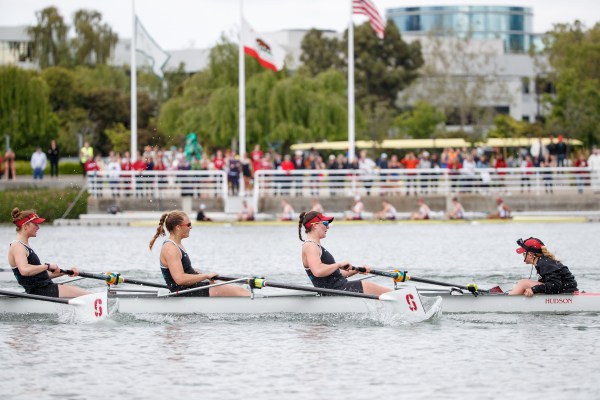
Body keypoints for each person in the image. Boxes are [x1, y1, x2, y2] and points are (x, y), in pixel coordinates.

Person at [149, 210, 249, 297]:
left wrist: (199, 273)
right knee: (240, 291)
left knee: (235, 288)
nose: (191, 227)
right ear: (178, 227)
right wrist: (205, 276)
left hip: (189, 288)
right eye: (188, 224)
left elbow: (185, 270)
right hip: (183, 292)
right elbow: (179, 279)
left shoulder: (177, 244)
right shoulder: (170, 248)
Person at [298, 211, 391, 296]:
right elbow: (318, 271)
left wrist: (357, 270)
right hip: (334, 291)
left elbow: (334, 275)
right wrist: (338, 264)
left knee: (378, 290)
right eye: (325, 223)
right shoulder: (310, 246)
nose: (328, 227)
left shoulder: (314, 246)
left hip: (337, 289)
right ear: (315, 225)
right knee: (386, 292)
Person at [7, 208, 87, 298]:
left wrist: (66, 272)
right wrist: (47, 266)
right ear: (25, 226)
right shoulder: (18, 246)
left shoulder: (24, 246)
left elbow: (40, 276)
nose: (38, 227)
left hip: (43, 289)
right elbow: (24, 271)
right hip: (40, 291)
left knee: (81, 293)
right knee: (88, 295)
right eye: (35, 224)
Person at [509, 237, 578, 296]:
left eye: (524, 254)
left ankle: (508, 301)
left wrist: (534, 289)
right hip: (564, 289)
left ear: (530, 255)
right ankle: (512, 294)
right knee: (519, 286)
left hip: (567, 292)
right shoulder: (543, 261)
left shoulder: (544, 263)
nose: (523, 256)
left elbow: (555, 285)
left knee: (523, 283)